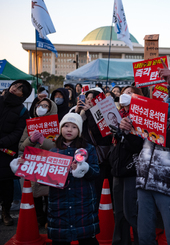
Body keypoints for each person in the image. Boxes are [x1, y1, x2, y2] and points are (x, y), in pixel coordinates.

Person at [11, 113, 100, 244]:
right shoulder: (53, 151)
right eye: (66, 126)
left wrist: (85, 168)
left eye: (74, 127)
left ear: (80, 130)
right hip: (59, 203)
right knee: (60, 239)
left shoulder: (88, 149)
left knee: (87, 239)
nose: (69, 130)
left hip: (83, 203)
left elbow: (95, 172)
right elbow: (40, 173)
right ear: (60, 128)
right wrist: (23, 165)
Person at [135, 66, 170, 245]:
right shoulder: (158, 110)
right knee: (144, 236)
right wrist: (129, 128)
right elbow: (139, 141)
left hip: (169, 186)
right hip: (144, 183)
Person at [110, 85, 144, 245]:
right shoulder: (117, 116)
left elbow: (138, 146)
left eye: (130, 93)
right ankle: (120, 241)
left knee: (132, 212)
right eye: (124, 93)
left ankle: (139, 241)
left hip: (133, 171)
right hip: (118, 170)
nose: (126, 95)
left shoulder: (143, 117)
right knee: (119, 212)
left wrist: (126, 133)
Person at [19, 97, 57, 227]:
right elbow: (21, 146)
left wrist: (43, 141)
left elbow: (57, 147)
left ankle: (48, 219)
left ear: (51, 108)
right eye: (39, 105)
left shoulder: (57, 125)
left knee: (49, 195)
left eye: (45, 106)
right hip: (33, 163)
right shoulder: (30, 124)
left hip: (49, 163)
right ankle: (38, 218)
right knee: (35, 195)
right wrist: (30, 140)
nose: (41, 108)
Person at [74, 87, 113, 209]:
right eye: (87, 98)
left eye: (93, 98)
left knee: (98, 185)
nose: (89, 101)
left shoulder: (104, 114)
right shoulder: (82, 113)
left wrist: (90, 112)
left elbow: (98, 132)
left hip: (99, 157)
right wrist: (77, 112)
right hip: (84, 154)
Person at [0, 80, 31, 226]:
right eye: (15, 85)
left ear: (23, 95)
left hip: (6, 151)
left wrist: (2, 142)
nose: (15, 89)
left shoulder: (23, 111)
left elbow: (19, 132)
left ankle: (6, 212)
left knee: (6, 184)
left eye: (20, 89)